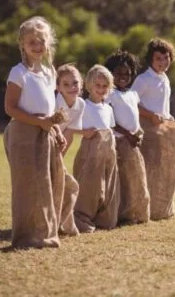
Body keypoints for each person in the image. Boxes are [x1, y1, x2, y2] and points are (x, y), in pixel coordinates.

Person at [3, 16, 66, 249]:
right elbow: (10, 108)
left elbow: (49, 109)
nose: (37, 46)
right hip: (23, 134)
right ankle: (26, 237)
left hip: (45, 132)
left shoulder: (49, 72)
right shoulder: (18, 73)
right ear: (22, 44)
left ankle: (45, 234)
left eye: (41, 41)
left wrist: (56, 131)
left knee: (47, 183)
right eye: (32, 42)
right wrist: (39, 122)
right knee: (27, 185)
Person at [131, 38, 175, 221]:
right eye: (158, 59)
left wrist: (168, 116)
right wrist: (150, 116)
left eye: (166, 58)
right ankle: (143, 209)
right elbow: (131, 104)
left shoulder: (164, 79)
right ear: (151, 60)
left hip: (162, 128)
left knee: (166, 167)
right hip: (147, 129)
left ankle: (160, 208)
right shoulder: (143, 79)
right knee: (148, 168)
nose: (163, 63)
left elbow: (162, 105)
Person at [105, 50, 150, 225]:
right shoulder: (110, 94)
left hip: (133, 142)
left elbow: (134, 117)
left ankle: (135, 212)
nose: (123, 77)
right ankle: (120, 213)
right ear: (110, 73)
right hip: (118, 141)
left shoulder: (132, 94)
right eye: (118, 73)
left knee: (135, 178)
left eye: (127, 74)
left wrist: (137, 133)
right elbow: (110, 121)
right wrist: (127, 134)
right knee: (120, 179)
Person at [73, 64, 120, 233]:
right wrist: (83, 132)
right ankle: (82, 218)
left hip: (108, 151)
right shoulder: (83, 106)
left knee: (108, 184)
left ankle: (104, 219)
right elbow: (71, 126)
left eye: (104, 86)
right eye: (97, 85)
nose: (100, 89)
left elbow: (111, 129)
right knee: (89, 185)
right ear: (89, 85)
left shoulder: (108, 108)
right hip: (90, 151)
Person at [55, 63, 85, 236]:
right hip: (43, 144)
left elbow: (71, 133)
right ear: (58, 87)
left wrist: (59, 158)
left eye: (74, 83)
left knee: (67, 184)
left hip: (59, 148)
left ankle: (62, 223)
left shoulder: (81, 105)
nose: (71, 87)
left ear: (80, 84)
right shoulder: (53, 102)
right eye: (65, 84)